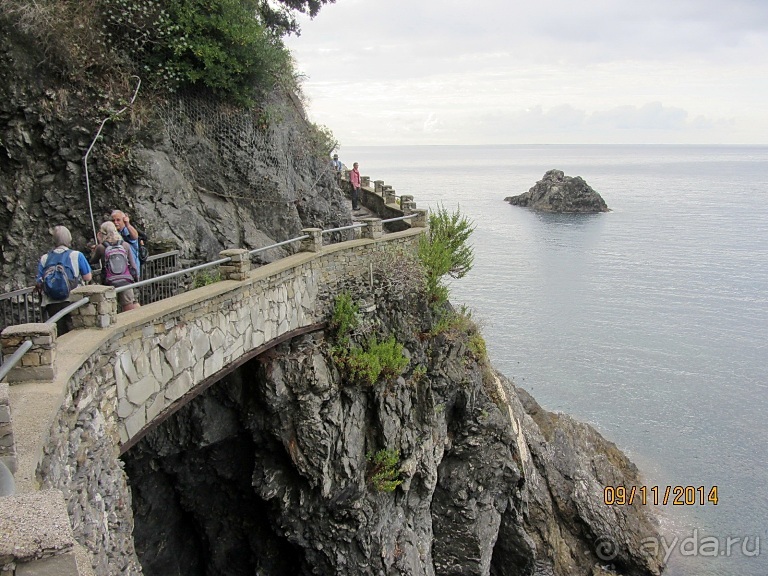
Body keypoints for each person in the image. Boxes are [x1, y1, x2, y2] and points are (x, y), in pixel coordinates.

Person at [35, 225, 93, 336]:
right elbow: (88, 277)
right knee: (74, 333)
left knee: (59, 334)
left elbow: (39, 281)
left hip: (51, 303)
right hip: (72, 300)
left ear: (54, 240)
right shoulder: (76, 255)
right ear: (69, 239)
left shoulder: (45, 258)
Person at [91, 221, 140, 312]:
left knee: (110, 307)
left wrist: (97, 245)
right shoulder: (125, 245)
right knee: (128, 305)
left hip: (109, 282)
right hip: (125, 280)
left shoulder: (101, 247)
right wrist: (136, 280)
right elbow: (133, 265)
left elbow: (93, 261)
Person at [110, 210, 141, 279]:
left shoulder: (126, 230)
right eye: (113, 220)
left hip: (131, 270)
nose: (115, 223)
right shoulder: (115, 233)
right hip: (121, 271)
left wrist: (128, 224)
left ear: (123, 220)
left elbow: (135, 236)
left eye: (118, 220)